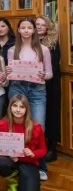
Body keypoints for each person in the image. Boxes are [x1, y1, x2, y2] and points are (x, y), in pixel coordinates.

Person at [5, 17, 52, 181]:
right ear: (18, 30)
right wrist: (7, 71)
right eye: (23, 28)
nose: (26, 30)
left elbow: (50, 73)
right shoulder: (12, 50)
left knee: (39, 127)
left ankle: (40, 165)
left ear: (34, 30)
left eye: (29, 28)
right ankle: (18, 163)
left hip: (37, 89)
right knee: (16, 125)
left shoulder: (43, 49)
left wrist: (44, 74)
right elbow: (8, 74)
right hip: (17, 87)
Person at [0, 95, 46, 191]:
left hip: (29, 163)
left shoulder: (36, 127)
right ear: (10, 107)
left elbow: (43, 150)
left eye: (22, 107)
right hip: (11, 161)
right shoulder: (2, 124)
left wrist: (33, 153)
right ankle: (12, 181)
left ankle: (27, 179)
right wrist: (8, 153)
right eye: (15, 106)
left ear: (27, 109)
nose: (18, 110)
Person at [36, 15, 60, 163]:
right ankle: (40, 146)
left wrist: (45, 74)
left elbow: (54, 65)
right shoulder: (29, 42)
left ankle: (52, 148)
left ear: (48, 28)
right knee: (39, 117)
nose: (39, 27)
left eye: (42, 25)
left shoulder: (53, 43)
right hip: (34, 84)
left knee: (52, 115)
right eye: (37, 24)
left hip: (50, 85)